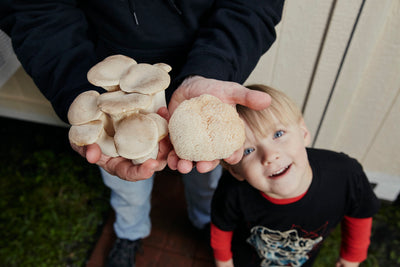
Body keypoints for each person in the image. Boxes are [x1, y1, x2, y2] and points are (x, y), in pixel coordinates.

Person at [0, 1, 285, 266]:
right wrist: (83, 97)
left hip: (202, 77)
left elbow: (252, 5)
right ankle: (131, 230)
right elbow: (33, 9)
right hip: (112, 87)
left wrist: (215, 65)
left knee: (204, 172)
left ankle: (204, 220)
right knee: (126, 184)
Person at [210, 84, 380, 267]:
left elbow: (360, 212)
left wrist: (352, 258)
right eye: (248, 150)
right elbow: (221, 227)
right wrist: (224, 262)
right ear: (236, 171)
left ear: (303, 133)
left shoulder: (345, 174)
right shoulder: (233, 190)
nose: (270, 156)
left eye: (278, 134)